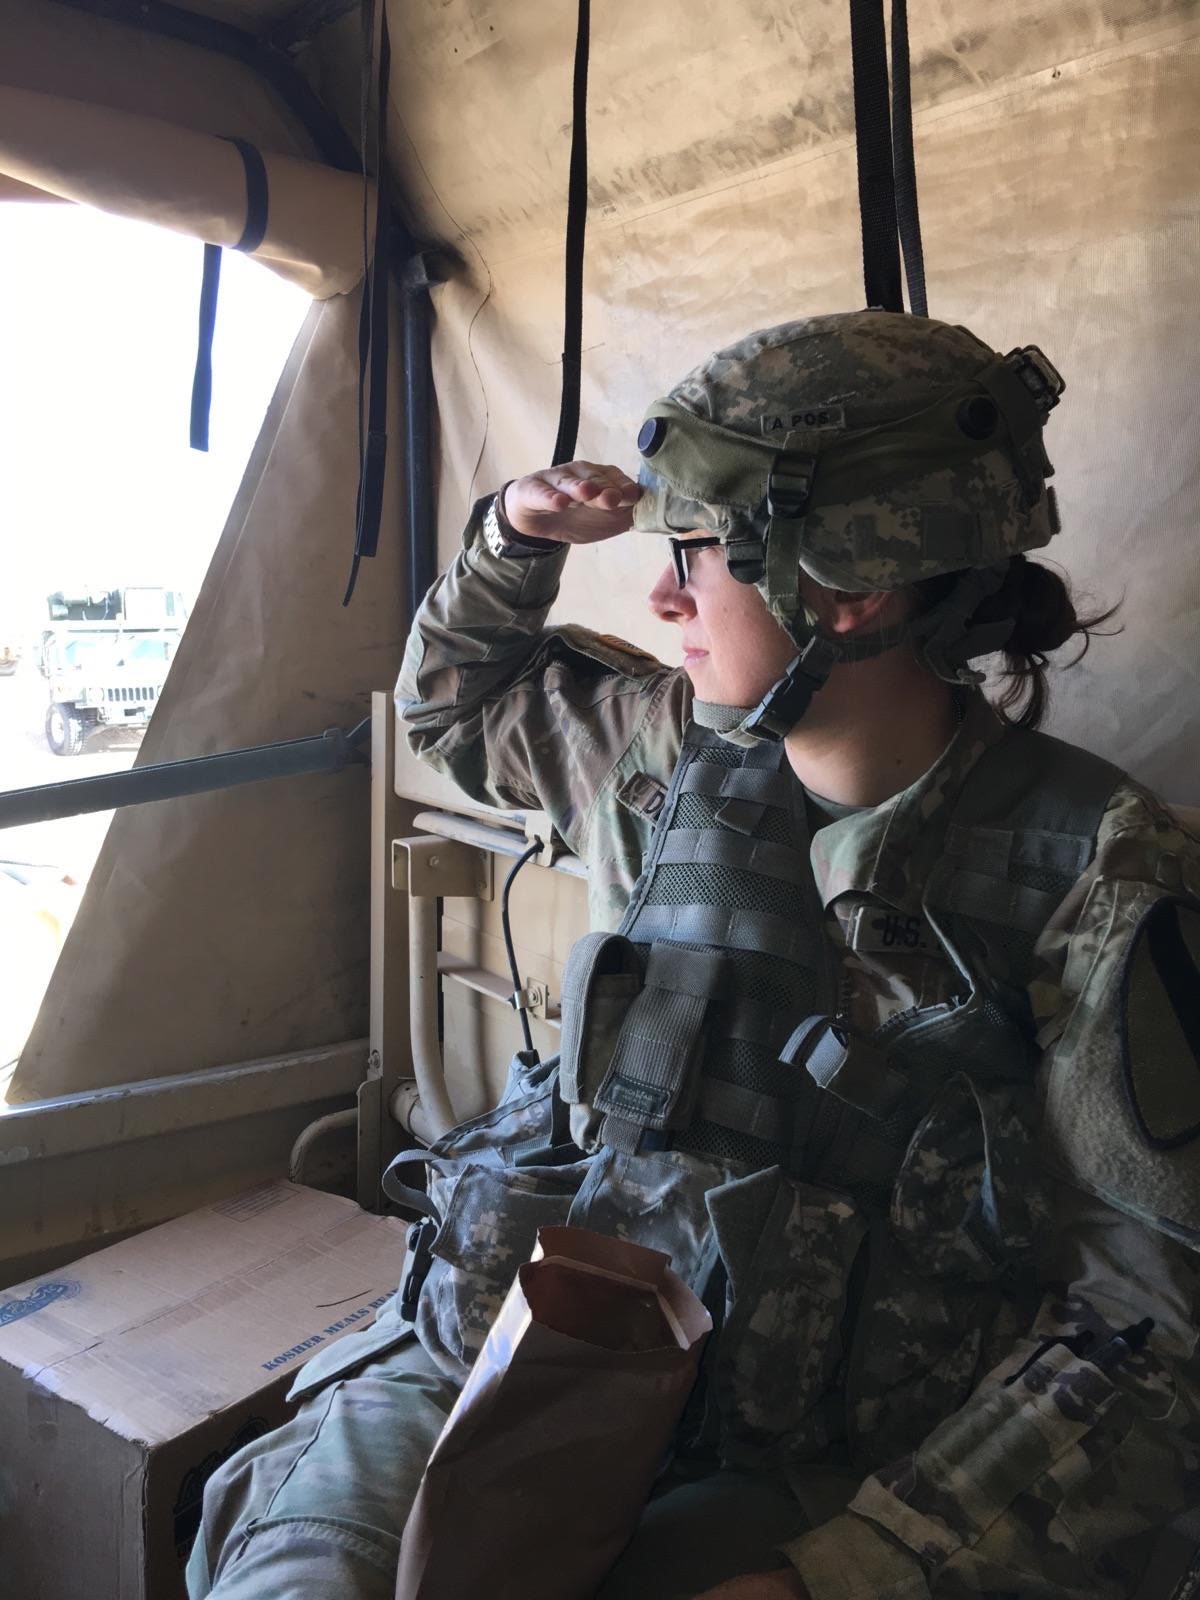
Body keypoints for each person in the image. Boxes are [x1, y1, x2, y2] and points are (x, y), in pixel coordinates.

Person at [189, 312, 1200, 1600]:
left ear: (847, 591)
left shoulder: (1093, 870)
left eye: (699, 556)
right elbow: (456, 708)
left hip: (833, 1465)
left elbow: (1156, 1319)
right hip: (526, 1351)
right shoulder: (653, 754)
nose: (662, 598)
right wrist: (511, 541)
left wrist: (845, 1574)